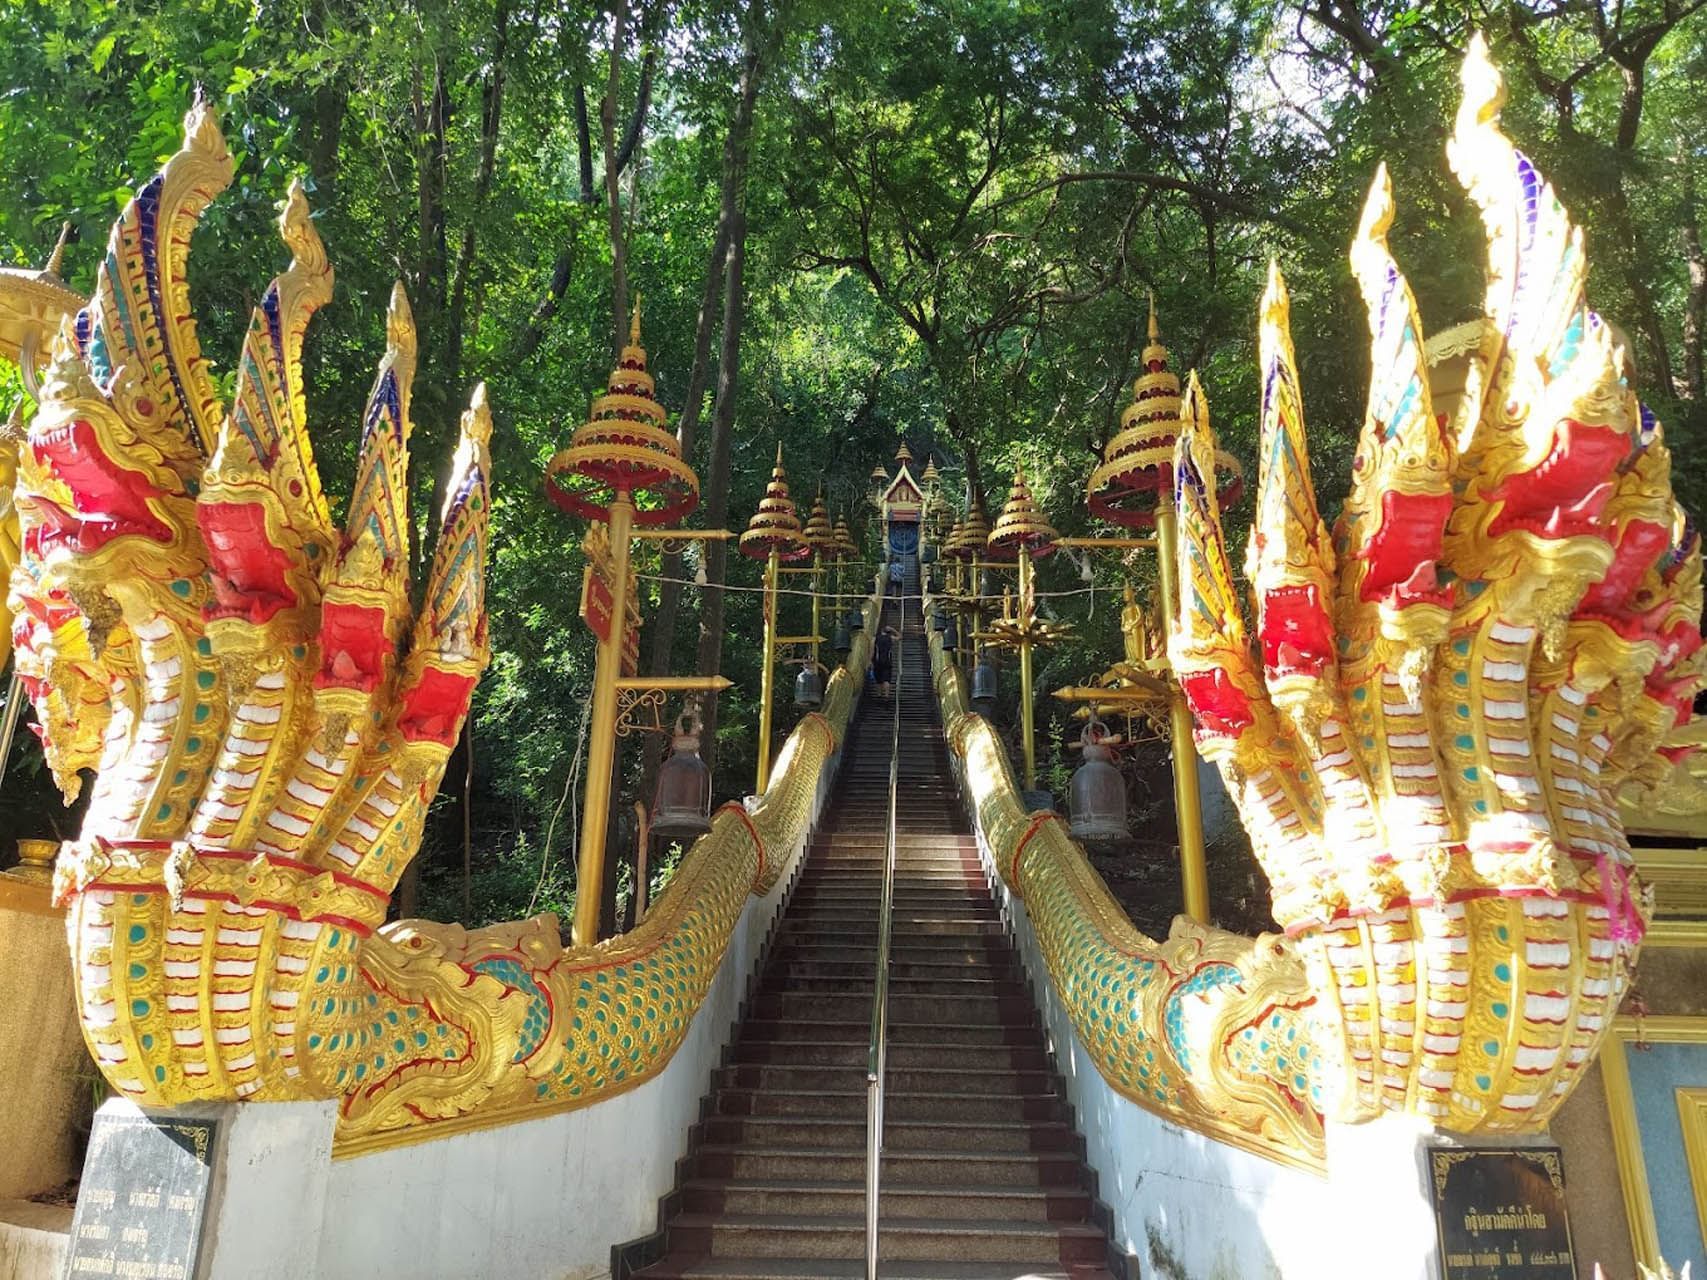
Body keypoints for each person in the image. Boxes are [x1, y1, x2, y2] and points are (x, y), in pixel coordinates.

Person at [871, 625, 896, 698]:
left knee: (878, 680)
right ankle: (886, 696)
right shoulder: (890, 638)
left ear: (881, 631)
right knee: (886, 680)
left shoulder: (875, 639)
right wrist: (893, 629)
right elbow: (900, 637)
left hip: (877, 661)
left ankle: (879, 695)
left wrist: (870, 661)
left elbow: (872, 651)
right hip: (887, 661)